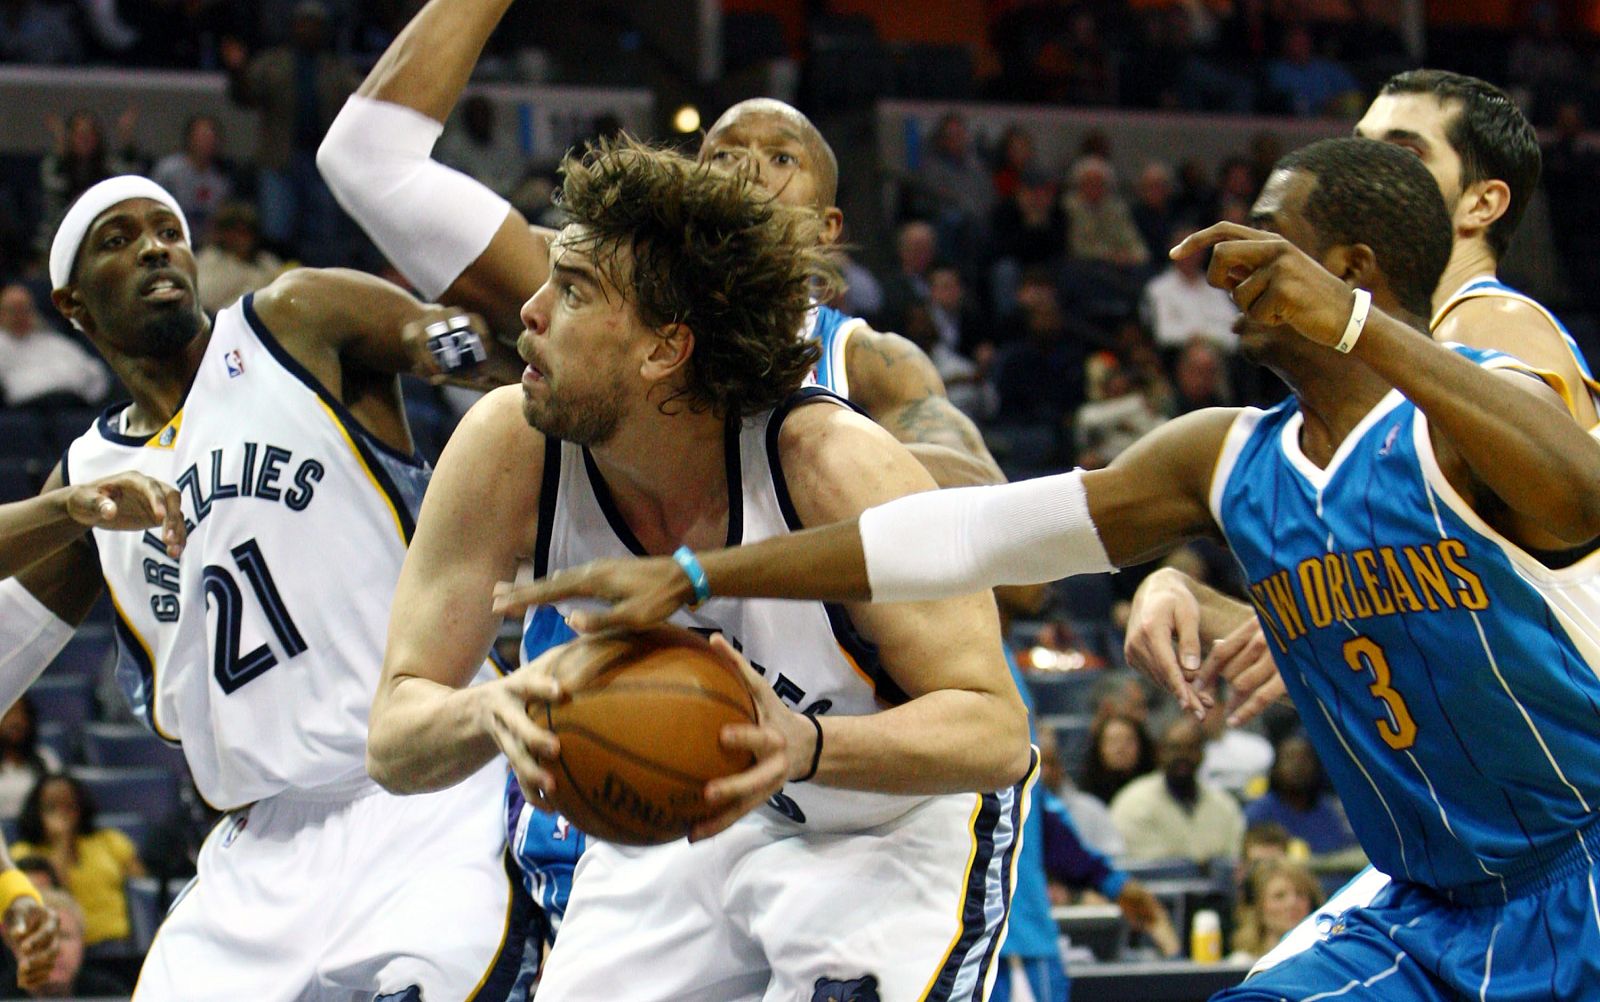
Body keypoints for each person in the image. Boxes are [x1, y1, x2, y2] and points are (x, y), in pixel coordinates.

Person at [500, 136, 1600, 998]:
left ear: (1351, 269)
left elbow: (1580, 489)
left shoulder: (1471, 413)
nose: (1226, 258)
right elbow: (962, 535)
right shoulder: (1222, 457)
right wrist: (700, 576)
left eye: (1267, 237)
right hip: (1426, 905)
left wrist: (1356, 326)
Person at [373, 136, 1032, 1000]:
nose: (528, 311)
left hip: (886, 821)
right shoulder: (509, 444)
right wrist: (482, 708)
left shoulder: (832, 464)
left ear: (665, 348)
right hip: (686, 826)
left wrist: (808, 746)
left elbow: (995, 732)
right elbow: (394, 736)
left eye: (572, 289)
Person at [8, 174, 528, 999]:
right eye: (119, 240)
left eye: (168, 231)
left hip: (426, 786)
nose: (155, 248)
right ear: (72, 306)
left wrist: (454, 340)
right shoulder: (88, 482)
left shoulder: (292, 319)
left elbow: (432, 337)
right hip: (261, 845)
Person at [1124, 69, 1600, 950]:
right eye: (1361, 142)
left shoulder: (1483, 329)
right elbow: (1424, 600)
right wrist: (1180, 589)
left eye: (1404, 152)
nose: (1366, 163)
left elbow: (1546, 578)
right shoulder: (1376, 366)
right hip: (1491, 835)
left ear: (1482, 203)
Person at [317, 0, 1002, 490]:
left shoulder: (869, 363)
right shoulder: (590, 289)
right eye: (722, 154)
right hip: (584, 648)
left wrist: (799, 447)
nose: (747, 168)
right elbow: (367, 159)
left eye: (781, 158)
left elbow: (1008, 556)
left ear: (828, 228)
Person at [11, 775, 142, 949]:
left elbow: (143, 891)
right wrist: (62, 841)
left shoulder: (109, 841)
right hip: (57, 944)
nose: (62, 814)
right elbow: (55, 893)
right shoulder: (23, 853)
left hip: (115, 941)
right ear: (37, 811)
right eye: (51, 807)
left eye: (69, 806)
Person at [1108, 717, 1245, 864]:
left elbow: (1234, 858)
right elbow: (1140, 863)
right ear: (1159, 752)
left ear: (1202, 754)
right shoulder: (1132, 802)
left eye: (1191, 748)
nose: (1183, 756)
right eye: (1174, 748)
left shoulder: (1224, 805)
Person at [0, 284, 111, 409]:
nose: (20, 316)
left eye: (25, 309)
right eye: (13, 310)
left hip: (73, 404)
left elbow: (95, 373)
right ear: (2, 314)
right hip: (27, 409)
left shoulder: (55, 341)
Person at [1226, 859, 1324, 964]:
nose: (1292, 903)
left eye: (1300, 894)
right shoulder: (1240, 963)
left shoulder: (1325, 960)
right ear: (1258, 907)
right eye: (1279, 896)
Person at [1080, 712, 1153, 807]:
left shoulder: (1156, 789)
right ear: (1099, 748)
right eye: (1113, 741)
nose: (1120, 748)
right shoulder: (1087, 798)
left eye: (1128, 741)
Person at [0, 701, 55, 824]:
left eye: (21, 714)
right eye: (8, 714)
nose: (15, 721)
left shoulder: (45, 758)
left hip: (36, 830)